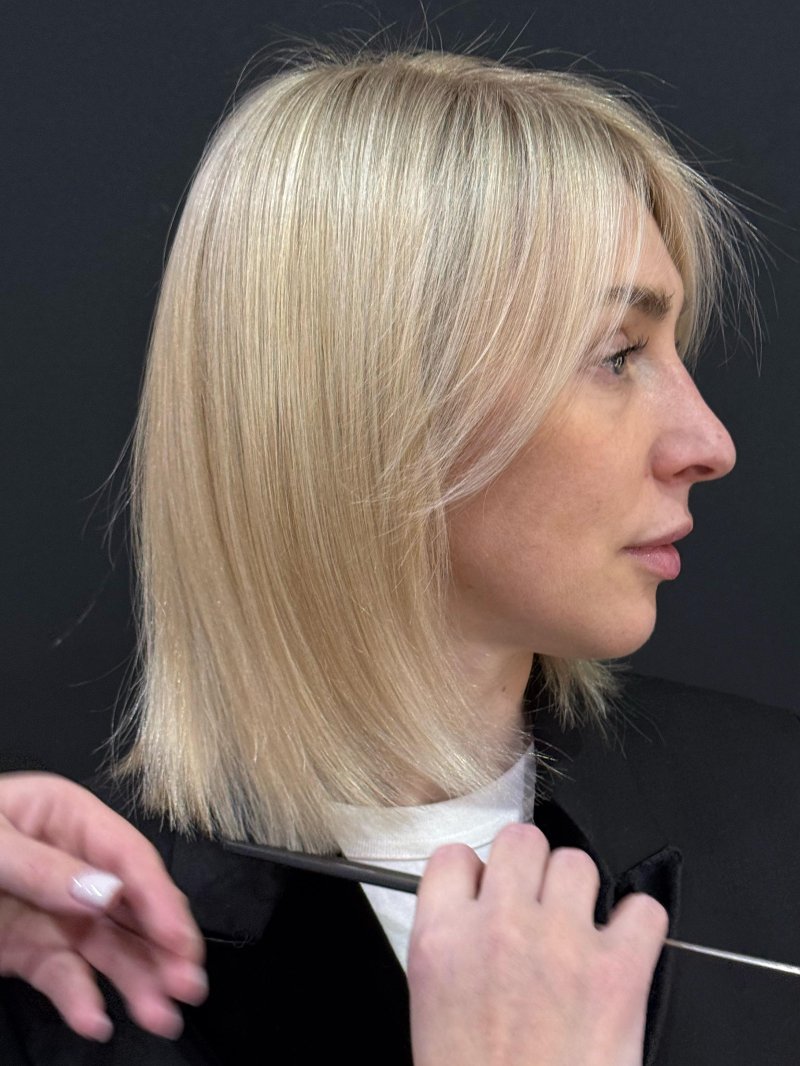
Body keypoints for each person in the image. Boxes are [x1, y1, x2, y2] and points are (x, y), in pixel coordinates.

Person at [5, 45, 800, 1065]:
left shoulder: (775, 820)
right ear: (375, 404)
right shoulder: (48, 955)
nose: (708, 443)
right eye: (616, 355)